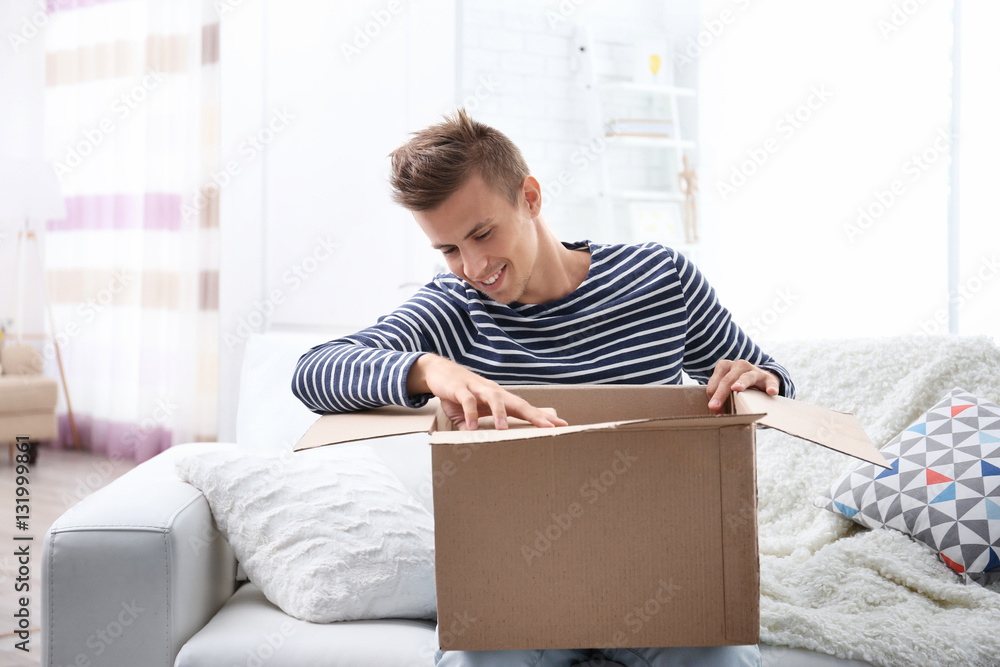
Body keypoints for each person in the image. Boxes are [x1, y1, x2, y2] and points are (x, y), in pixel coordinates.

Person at [292, 109, 793, 667]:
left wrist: (759, 378)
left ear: (529, 197)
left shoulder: (659, 279)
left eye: (483, 233)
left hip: (663, 583)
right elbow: (314, 371)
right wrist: (429, 370)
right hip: (515, 594)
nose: (474, 266)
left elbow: (771, 378)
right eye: (449, 250)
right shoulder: (453, 308)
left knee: (727, 662)